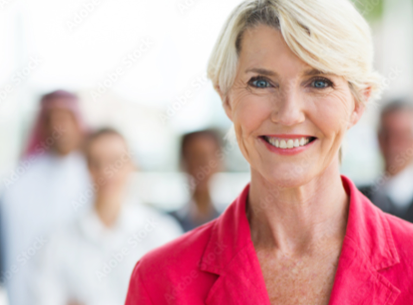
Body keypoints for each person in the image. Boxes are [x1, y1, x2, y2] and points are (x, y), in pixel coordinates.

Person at [125, 1, 413, 304]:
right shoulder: (161, 279)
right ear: (226, 98)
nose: (288, 114)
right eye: (261, 82)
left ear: (358, 103)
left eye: (319, 82)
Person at [31, 128, 182, 305]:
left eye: (115, 161)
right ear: (86, 168)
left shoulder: (162, 234)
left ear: (132, 165)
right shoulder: (56, 240)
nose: (106, 171)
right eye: (96, 162)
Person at [0, 90, 92, 305]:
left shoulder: (95, 175)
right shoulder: (18, 184)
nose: (60, 127)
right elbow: (14, 256)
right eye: (52, 119)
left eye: (66, 118)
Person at [360, 99, 413, 222]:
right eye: (386, 134)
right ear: (378, 137)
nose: (393, 144)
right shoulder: (358, 197)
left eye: (403, 136)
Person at [170, 130, 223, 232]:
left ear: (220, 163)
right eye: (194, 158)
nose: (202, 166)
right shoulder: (168, 224)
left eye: (206, 158)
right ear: (183, 163)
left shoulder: (233, 219)